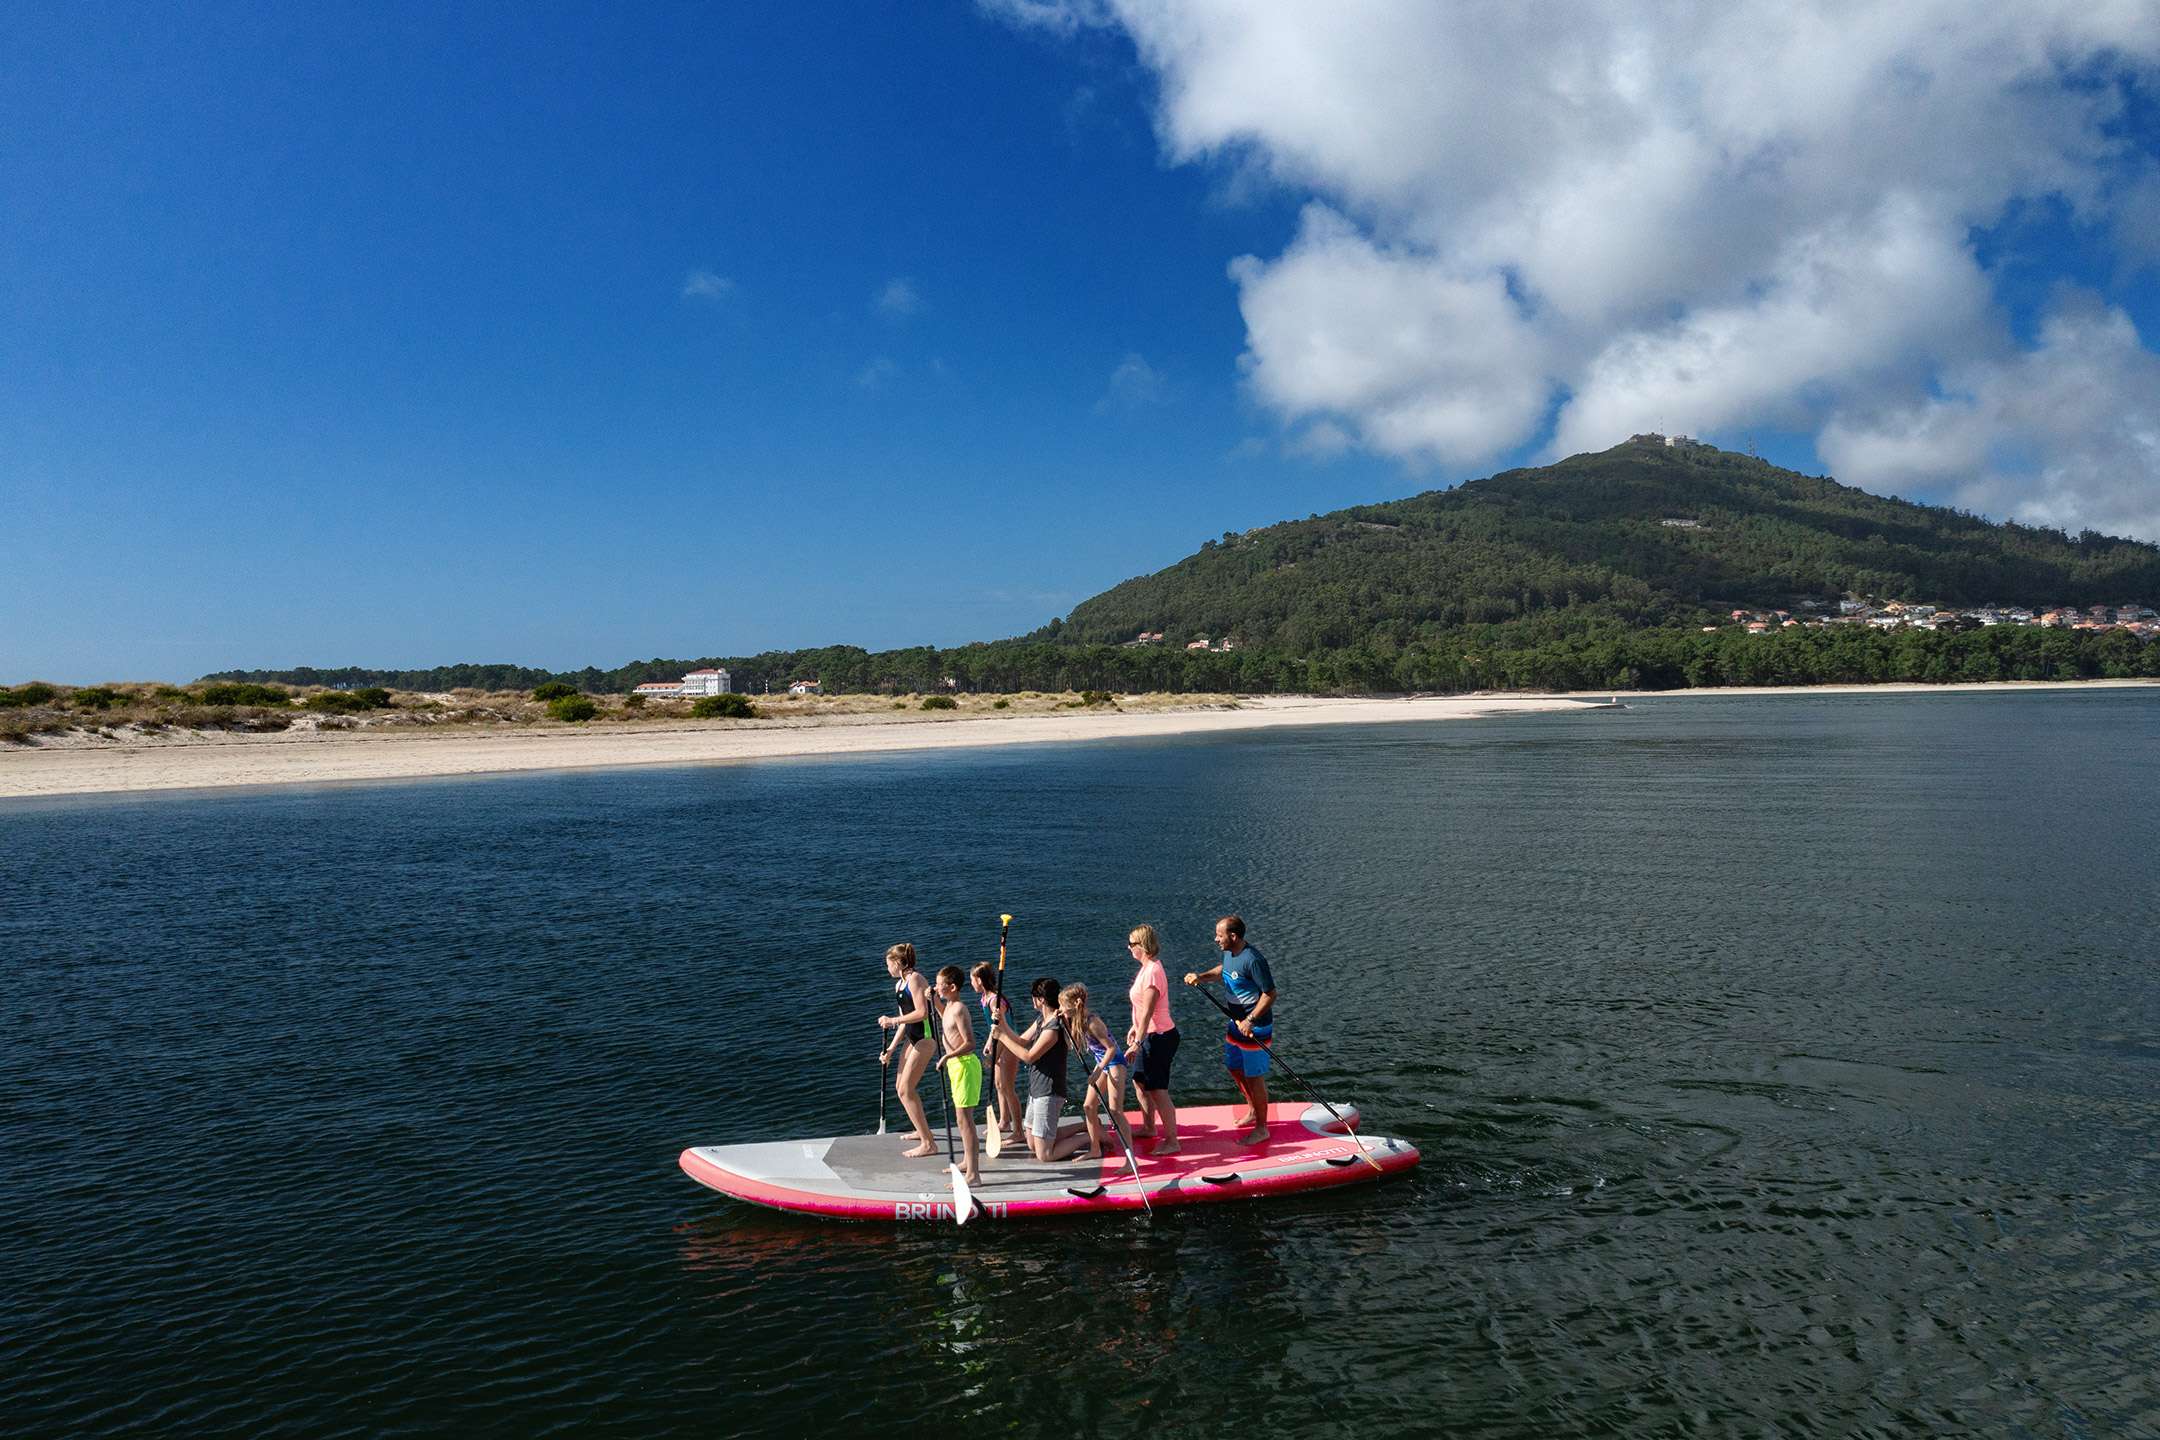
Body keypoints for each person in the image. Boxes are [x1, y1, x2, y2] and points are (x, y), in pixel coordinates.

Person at [1184, 914, 1275, 1145]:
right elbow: (1224, 970)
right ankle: (1252, 1110)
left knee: (1254, 1078)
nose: (1216, 939)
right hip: (1235, 1024)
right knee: (1235, 1067)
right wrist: (1201, 977)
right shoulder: (1229, 953)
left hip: (1255, 1027)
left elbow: (1270, 994)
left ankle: (1262, 1129)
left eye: (1219, 935)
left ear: (1233, 936)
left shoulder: (1253, 960)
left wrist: (1250, 1020)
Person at [988, 977, 1088, 1161]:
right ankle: (1086, 1126)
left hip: (1049, 1090)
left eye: (1033, 997)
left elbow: (1029, 1056)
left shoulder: (1053, 1029)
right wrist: (1002, 1023)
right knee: (1033, 1143)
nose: (1032, 1000)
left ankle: (1091, 1137)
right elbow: (1021, 1041)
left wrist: (1002, 1037)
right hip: (1036, 1087)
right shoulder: (1042, 1019)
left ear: (1040, 999)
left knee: (1045, 1154)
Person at [875, 942, 938, 1157]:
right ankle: (921, 1131)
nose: (887, 968)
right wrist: (891, 1049)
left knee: (906, 1089)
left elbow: (922, 1012)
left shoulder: (916, 980)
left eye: (889, 964)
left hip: (925, 1039)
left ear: (898, 963)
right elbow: (905, 1021)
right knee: (900, 1087)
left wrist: (892, 1020)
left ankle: (929, 1144)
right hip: (911, 1039)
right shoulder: (899, 985)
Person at [1056, 982, 1131, 1160]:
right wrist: (1064, 1021)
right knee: (1088, 1106)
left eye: (1062, 1006)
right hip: (1102, 1063)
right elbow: (1071, 1045)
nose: (1060, 1009)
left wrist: (1097, 1072)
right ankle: (1095, 1149)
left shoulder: (1092, 1022)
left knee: (1115, 1112)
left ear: (1074, 1005)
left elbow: (1111, 1048)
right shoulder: (1077, 1020)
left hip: (1114, 1063)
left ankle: (1130, 1159)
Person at [1124, 924, 1181, 1155]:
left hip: (1159, 1037)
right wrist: (1134, 1027)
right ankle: (1149, 1127)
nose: (1129, 948)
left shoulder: (1153, 972)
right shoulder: (1146, 968)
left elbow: (1149, 1012)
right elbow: (1140, 1008)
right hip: (1147, 1034)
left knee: (1158, 1089)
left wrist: (1137, 1043)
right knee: (1139, 1081)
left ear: (1142, 945)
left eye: (1132, 944)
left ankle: (1172, 1141)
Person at [933, 965, 982, 1185]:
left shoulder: (960, 1009)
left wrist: (947, 1056)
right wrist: (934, 1000)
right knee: (960, 1120)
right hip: (956, 1066)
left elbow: (970, 1043)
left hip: (965, 1066)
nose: (936, 987)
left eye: (939, 985)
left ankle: (973, 1175)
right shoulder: (949, 1007)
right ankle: (966, 1162)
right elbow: (945, 1020)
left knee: (965, 1120)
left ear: (952, 987)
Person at [971, 961, 1022, 1146]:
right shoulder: (984, 998)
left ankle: (1018, 1131)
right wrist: (988, 1043)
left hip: (1008, 1044)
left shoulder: (995, 1000)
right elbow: (993, 1026)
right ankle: (1004, 1121)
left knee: (1007, 1087)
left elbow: (1002, 1027)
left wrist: (995, 1052)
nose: (971, 983)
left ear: (979, 980)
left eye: (972, 980)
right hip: (998, 1040)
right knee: (999, 1085)